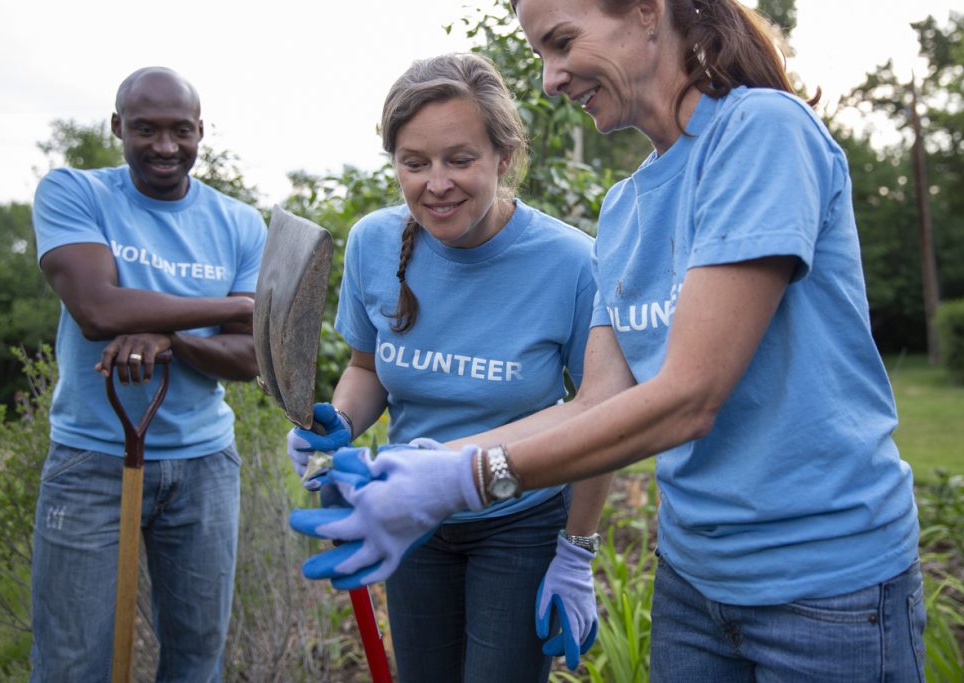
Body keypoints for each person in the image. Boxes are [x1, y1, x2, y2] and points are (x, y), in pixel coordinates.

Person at [290, 2, 926, 681]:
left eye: (562, 44)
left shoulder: (759, 130)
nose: (549, 80)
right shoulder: (623, 210)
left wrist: (466, 478)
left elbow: (689, 396)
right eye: (540, 54)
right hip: (695, 582)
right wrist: (418, 468)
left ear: (649, 13)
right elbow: (594, 401)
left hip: (826, 589)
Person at [286, 52, 612, 681]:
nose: (436, 183)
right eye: (415, 163)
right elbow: (367, 368)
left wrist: (575, 552)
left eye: (460, 159)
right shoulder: (373, 242)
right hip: (411, 515)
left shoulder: (572, 264)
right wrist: (339, 425)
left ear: (504, 157)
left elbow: (600, 412)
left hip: (519, 519)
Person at [30, 66, 265, 681]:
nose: (165, 147)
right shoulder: (74, 193)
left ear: (200, 131)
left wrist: (169, 338)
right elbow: (96, 309)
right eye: (146, 130)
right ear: (117, 128)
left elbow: (250, 358)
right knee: (72, 661)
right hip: (92, 461)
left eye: (180, 130)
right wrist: (231, 308)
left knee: (196, 657)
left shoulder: (239, 223)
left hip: (205, 464)